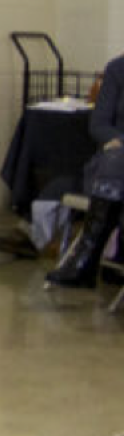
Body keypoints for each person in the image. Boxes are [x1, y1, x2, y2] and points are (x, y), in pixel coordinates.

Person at [46, 52, 124, 288]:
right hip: (114, 161)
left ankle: (85, 259)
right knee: (116, 160)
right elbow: (99, 124)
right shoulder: (117, 68)